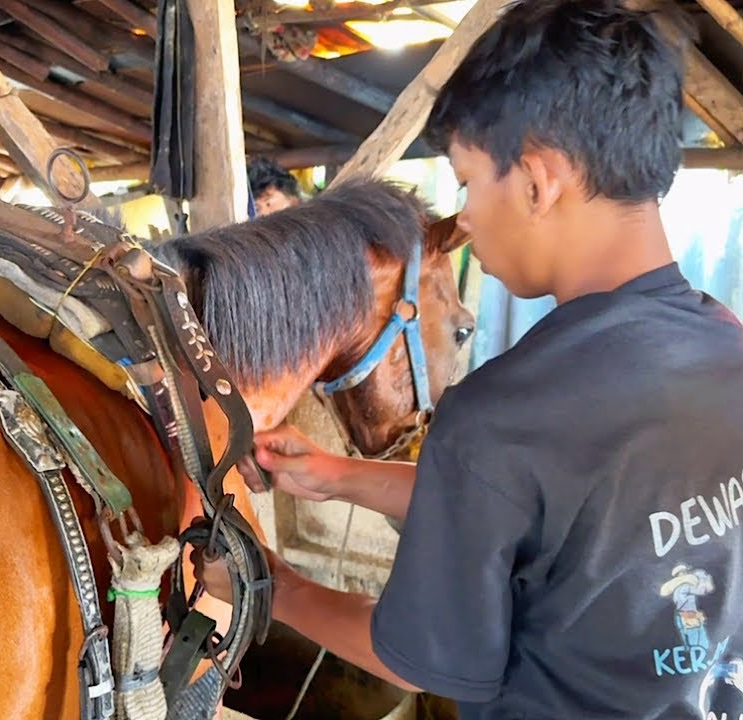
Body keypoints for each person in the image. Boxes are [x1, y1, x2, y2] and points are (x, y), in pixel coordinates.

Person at [195, 2, 743, 718]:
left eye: (468, 179)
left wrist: (271, 584)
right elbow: (566, 516)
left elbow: (412, 659)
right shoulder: (726, 346)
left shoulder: (502, 413)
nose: (467, 215)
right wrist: (339, 475)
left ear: (538, 183)